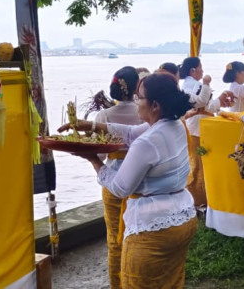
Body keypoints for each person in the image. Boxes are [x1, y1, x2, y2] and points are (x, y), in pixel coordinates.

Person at [62, 74, 197, 288]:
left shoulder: (147, 143)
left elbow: (120, 188)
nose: (136, 102)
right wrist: (89, 125)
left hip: (154, 228)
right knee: (170, 282)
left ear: (154, 105)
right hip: (182, 218)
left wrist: (93, 160)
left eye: (139, 98)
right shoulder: (174, 124)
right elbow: (130, 133)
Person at [92, 67, 144, 289]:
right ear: (135, 88)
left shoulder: (104, 116)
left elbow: (100, 155)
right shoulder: (144, 113)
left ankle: (118, 284)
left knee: (115, 239)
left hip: (113, 182)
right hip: (142, 181)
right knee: (142, 236)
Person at [179, 56, 231, 208]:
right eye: (200, 67)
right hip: (198, 128)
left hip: (196, 126)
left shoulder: (188, 85)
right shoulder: (194, 85)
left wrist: (219, 100)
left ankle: (201, 198)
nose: (202, 71)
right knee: (198, 165)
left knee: (199, 164)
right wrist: (209, 87)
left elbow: (206, 106)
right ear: (193, 70)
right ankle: (198, 200)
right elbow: (203, 104)